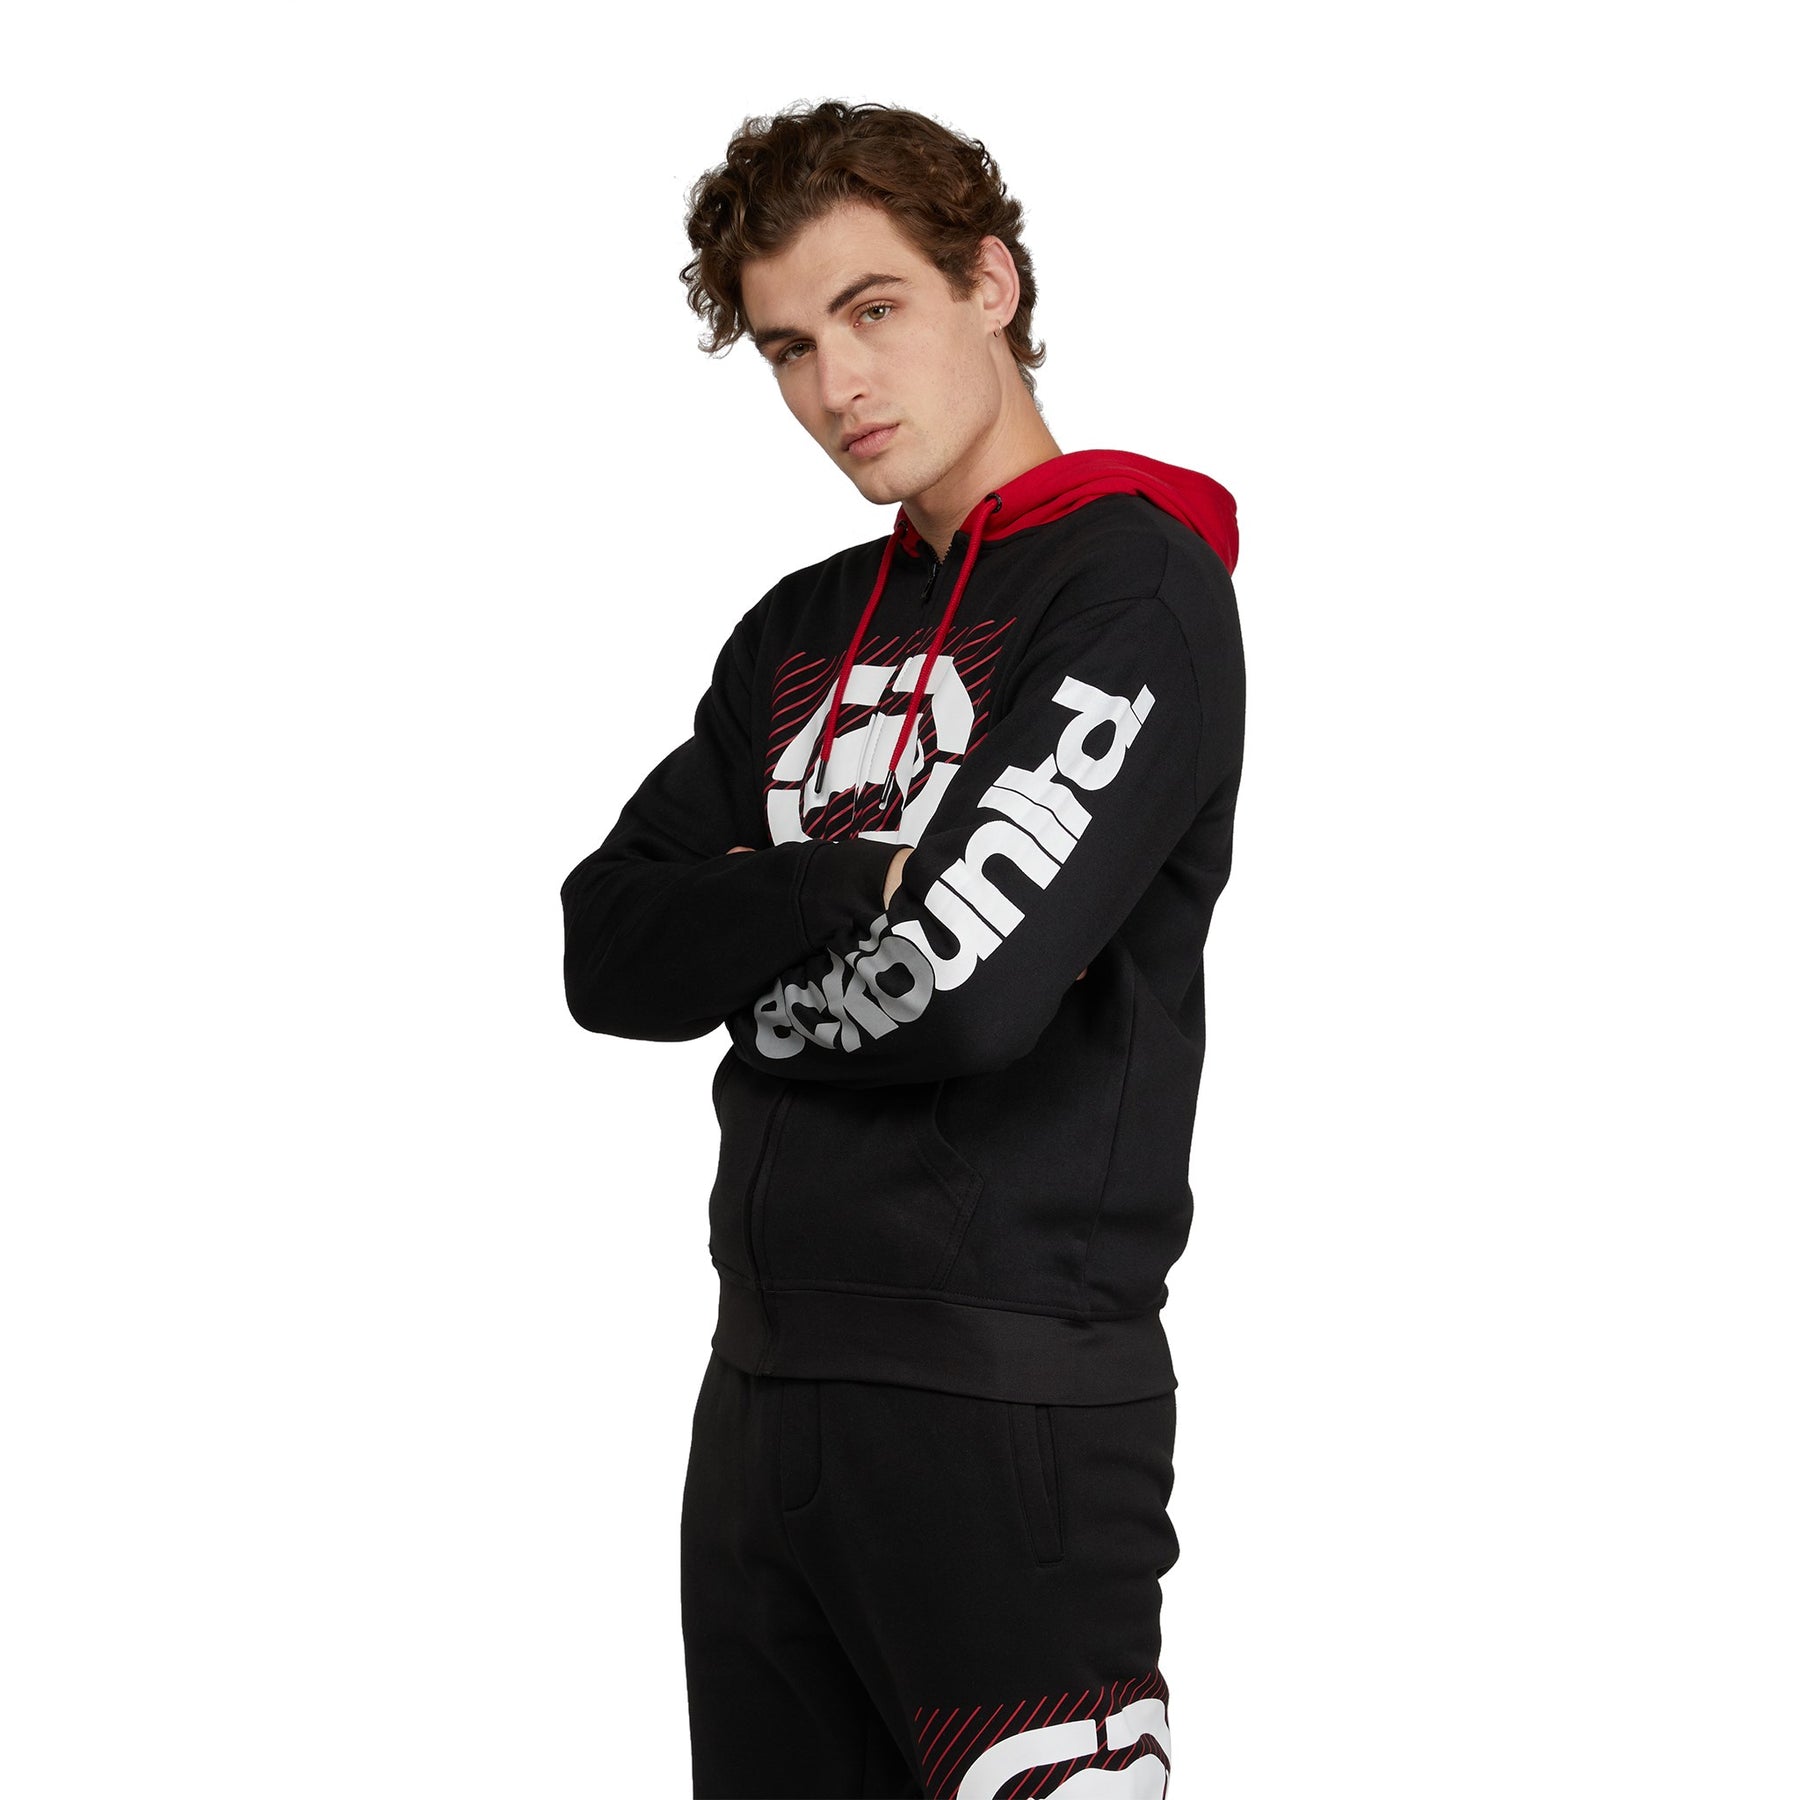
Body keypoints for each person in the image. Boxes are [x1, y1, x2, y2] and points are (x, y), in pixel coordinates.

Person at [560, 98, 1244, 1799]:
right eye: (790, 346)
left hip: (1007, 1410)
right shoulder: (795, 631)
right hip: (762, 1403)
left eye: (873, 311)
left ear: (989, 285)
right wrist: (849, 885)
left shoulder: (1134, 595)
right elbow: (604, 946)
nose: (835, 387)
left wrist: (753, 956)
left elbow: (966, 990)